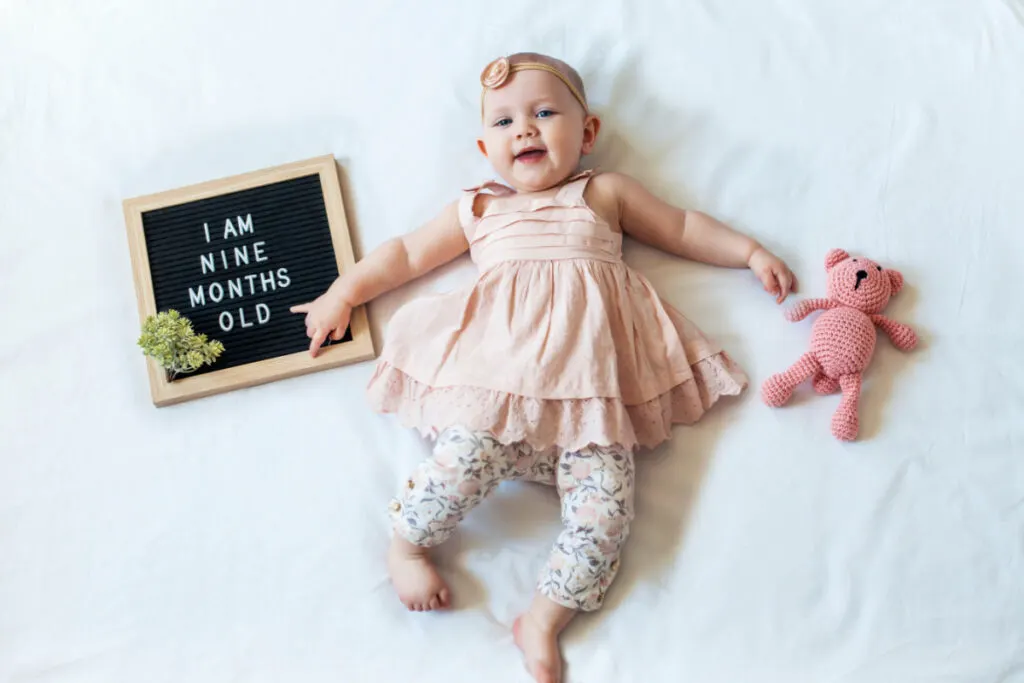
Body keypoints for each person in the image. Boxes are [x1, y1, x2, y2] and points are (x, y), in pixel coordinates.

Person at [291, 52, 797, 683]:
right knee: (457, 467)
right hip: (499, 399)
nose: (524, 129)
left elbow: (684, 228)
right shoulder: (478, 208)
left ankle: (543, 618)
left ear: (587, 134)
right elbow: (405, 255)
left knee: (606, 516)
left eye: (544, 113)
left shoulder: (604, 193)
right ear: (484, 146)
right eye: (504, 122)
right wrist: (344, 293)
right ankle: (409, 543)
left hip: (593, 406)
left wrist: (748, 252)